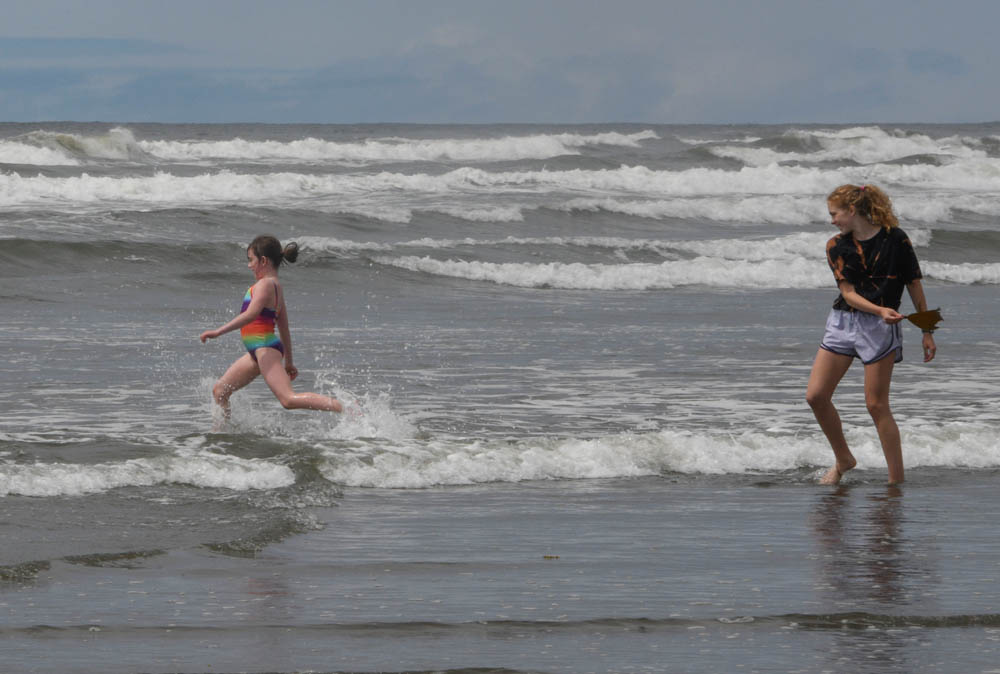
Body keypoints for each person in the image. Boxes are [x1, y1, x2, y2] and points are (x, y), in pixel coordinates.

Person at [806, 184, 936, 485]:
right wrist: (878, 309)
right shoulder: (836, 246)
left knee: (876, 404)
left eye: (834, 214)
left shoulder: (897, 240)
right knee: (815, 396)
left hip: (880, 328)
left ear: (852, 211)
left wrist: (927, 331)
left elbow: (914, 285)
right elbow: (848, 294)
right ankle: (844, 459)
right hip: (843, 321)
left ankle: (896, 482)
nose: (832, 220)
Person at [200, 235, 343, 419]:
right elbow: (284, 327)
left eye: (251, 260)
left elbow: (251, 314)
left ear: (264, 261)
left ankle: (343, 407)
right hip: (258, 352)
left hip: (265, 348)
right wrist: (289, 361)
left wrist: (218, 332)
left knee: (288, 400)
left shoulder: (265, 285)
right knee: (220, 391)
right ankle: (221, 437)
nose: (249, 265)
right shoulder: (276, 287)